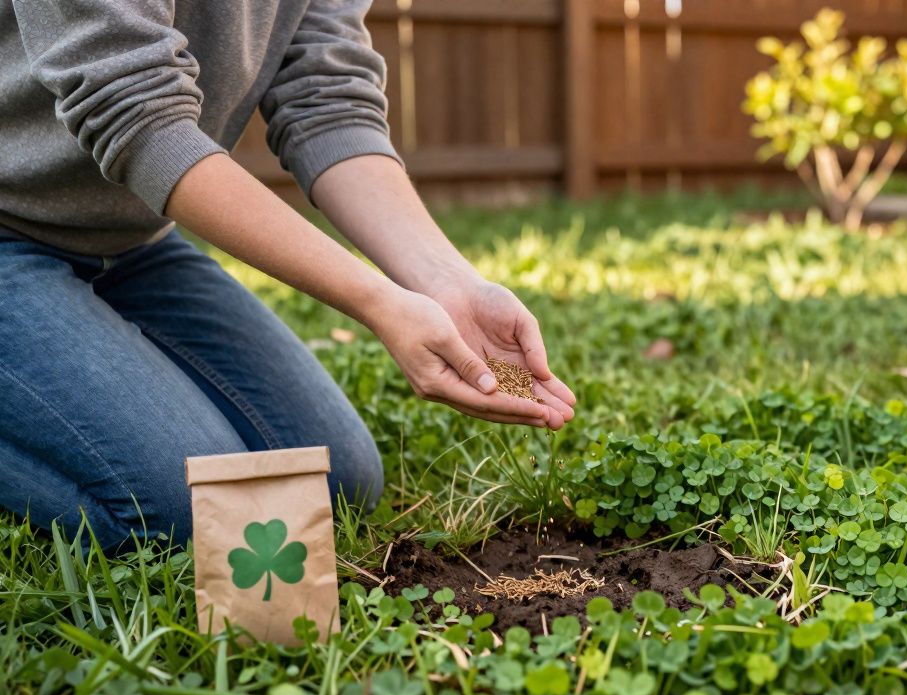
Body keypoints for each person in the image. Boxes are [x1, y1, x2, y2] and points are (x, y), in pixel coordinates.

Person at [0, 0, 576, 551]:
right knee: (190, 512)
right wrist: (378, 301)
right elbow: (137, 113)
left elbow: (327, 99)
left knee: (333, 481)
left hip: (130, 246)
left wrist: (446, 284)